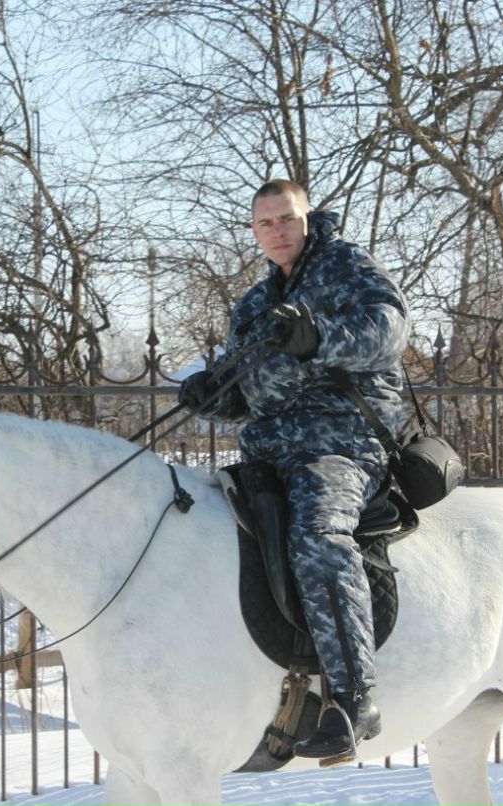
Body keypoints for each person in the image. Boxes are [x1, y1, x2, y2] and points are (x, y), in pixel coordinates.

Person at [179, 178, 410, 764]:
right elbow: (246, 383)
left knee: (316, 534)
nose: (276, 231)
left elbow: (390, 329)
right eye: (265, 224)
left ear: (308, 218)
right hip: (270, 447)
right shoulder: (255, 304)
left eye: (286, 219)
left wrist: (319, 338)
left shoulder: (345, 267)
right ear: (255, 233)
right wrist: (214, 393)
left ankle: (353, 697)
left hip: (341, 440)